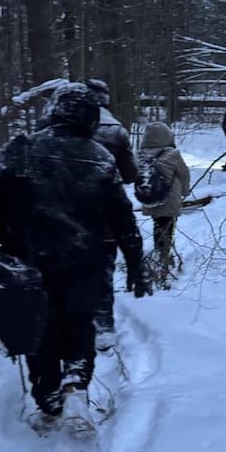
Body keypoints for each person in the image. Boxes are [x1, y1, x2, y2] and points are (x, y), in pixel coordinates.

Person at [0, 82, 152, 434]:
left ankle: (49, 403)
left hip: (26, 262)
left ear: (51, 112)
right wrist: (135, 262)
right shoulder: (100, 157)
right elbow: (122, 216)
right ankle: (75, 385)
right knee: (80, 323)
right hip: (84, 260)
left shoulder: (19, 149)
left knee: (39, 329)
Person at [85, 78, 139, 351]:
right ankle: (104, 325)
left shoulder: (52, 127)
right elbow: (130, 174)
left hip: (61, 216)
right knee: (103, 271)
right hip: (106, 214)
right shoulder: (116, 130)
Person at [138, 121, 190, 290]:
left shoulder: (141, 154)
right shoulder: (172, 154)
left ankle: (159, 250)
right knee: (168, 226)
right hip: (169, 199)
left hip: (151, 199)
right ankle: (164, 256)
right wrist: (185, 190)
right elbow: (184, 174)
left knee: (158, 224)